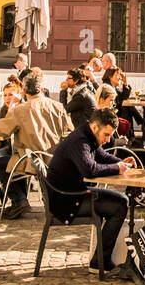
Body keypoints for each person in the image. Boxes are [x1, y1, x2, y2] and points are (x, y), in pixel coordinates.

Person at [46, 109, 134, 274]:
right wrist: (117, 168)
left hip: (72, 193)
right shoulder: (80, 141)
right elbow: (90, 171)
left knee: (120, 200)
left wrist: (121, 162)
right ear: (95, 127)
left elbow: (101, 156)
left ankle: (101, 258)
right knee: (120, 204)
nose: (108, 140)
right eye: (106, 135)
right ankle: (100, 261)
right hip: (65, 202)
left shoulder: (86, 135)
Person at [0, 72, 74, 218]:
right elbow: (70, 130)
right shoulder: (57, 106)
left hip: (30, 160)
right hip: (54, 158)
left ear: (24, 90)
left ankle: (19, 200)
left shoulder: (20, 110)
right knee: (11, 160)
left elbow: (1, 130)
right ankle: (25, 201)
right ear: (41, 89)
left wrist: (10, 110)